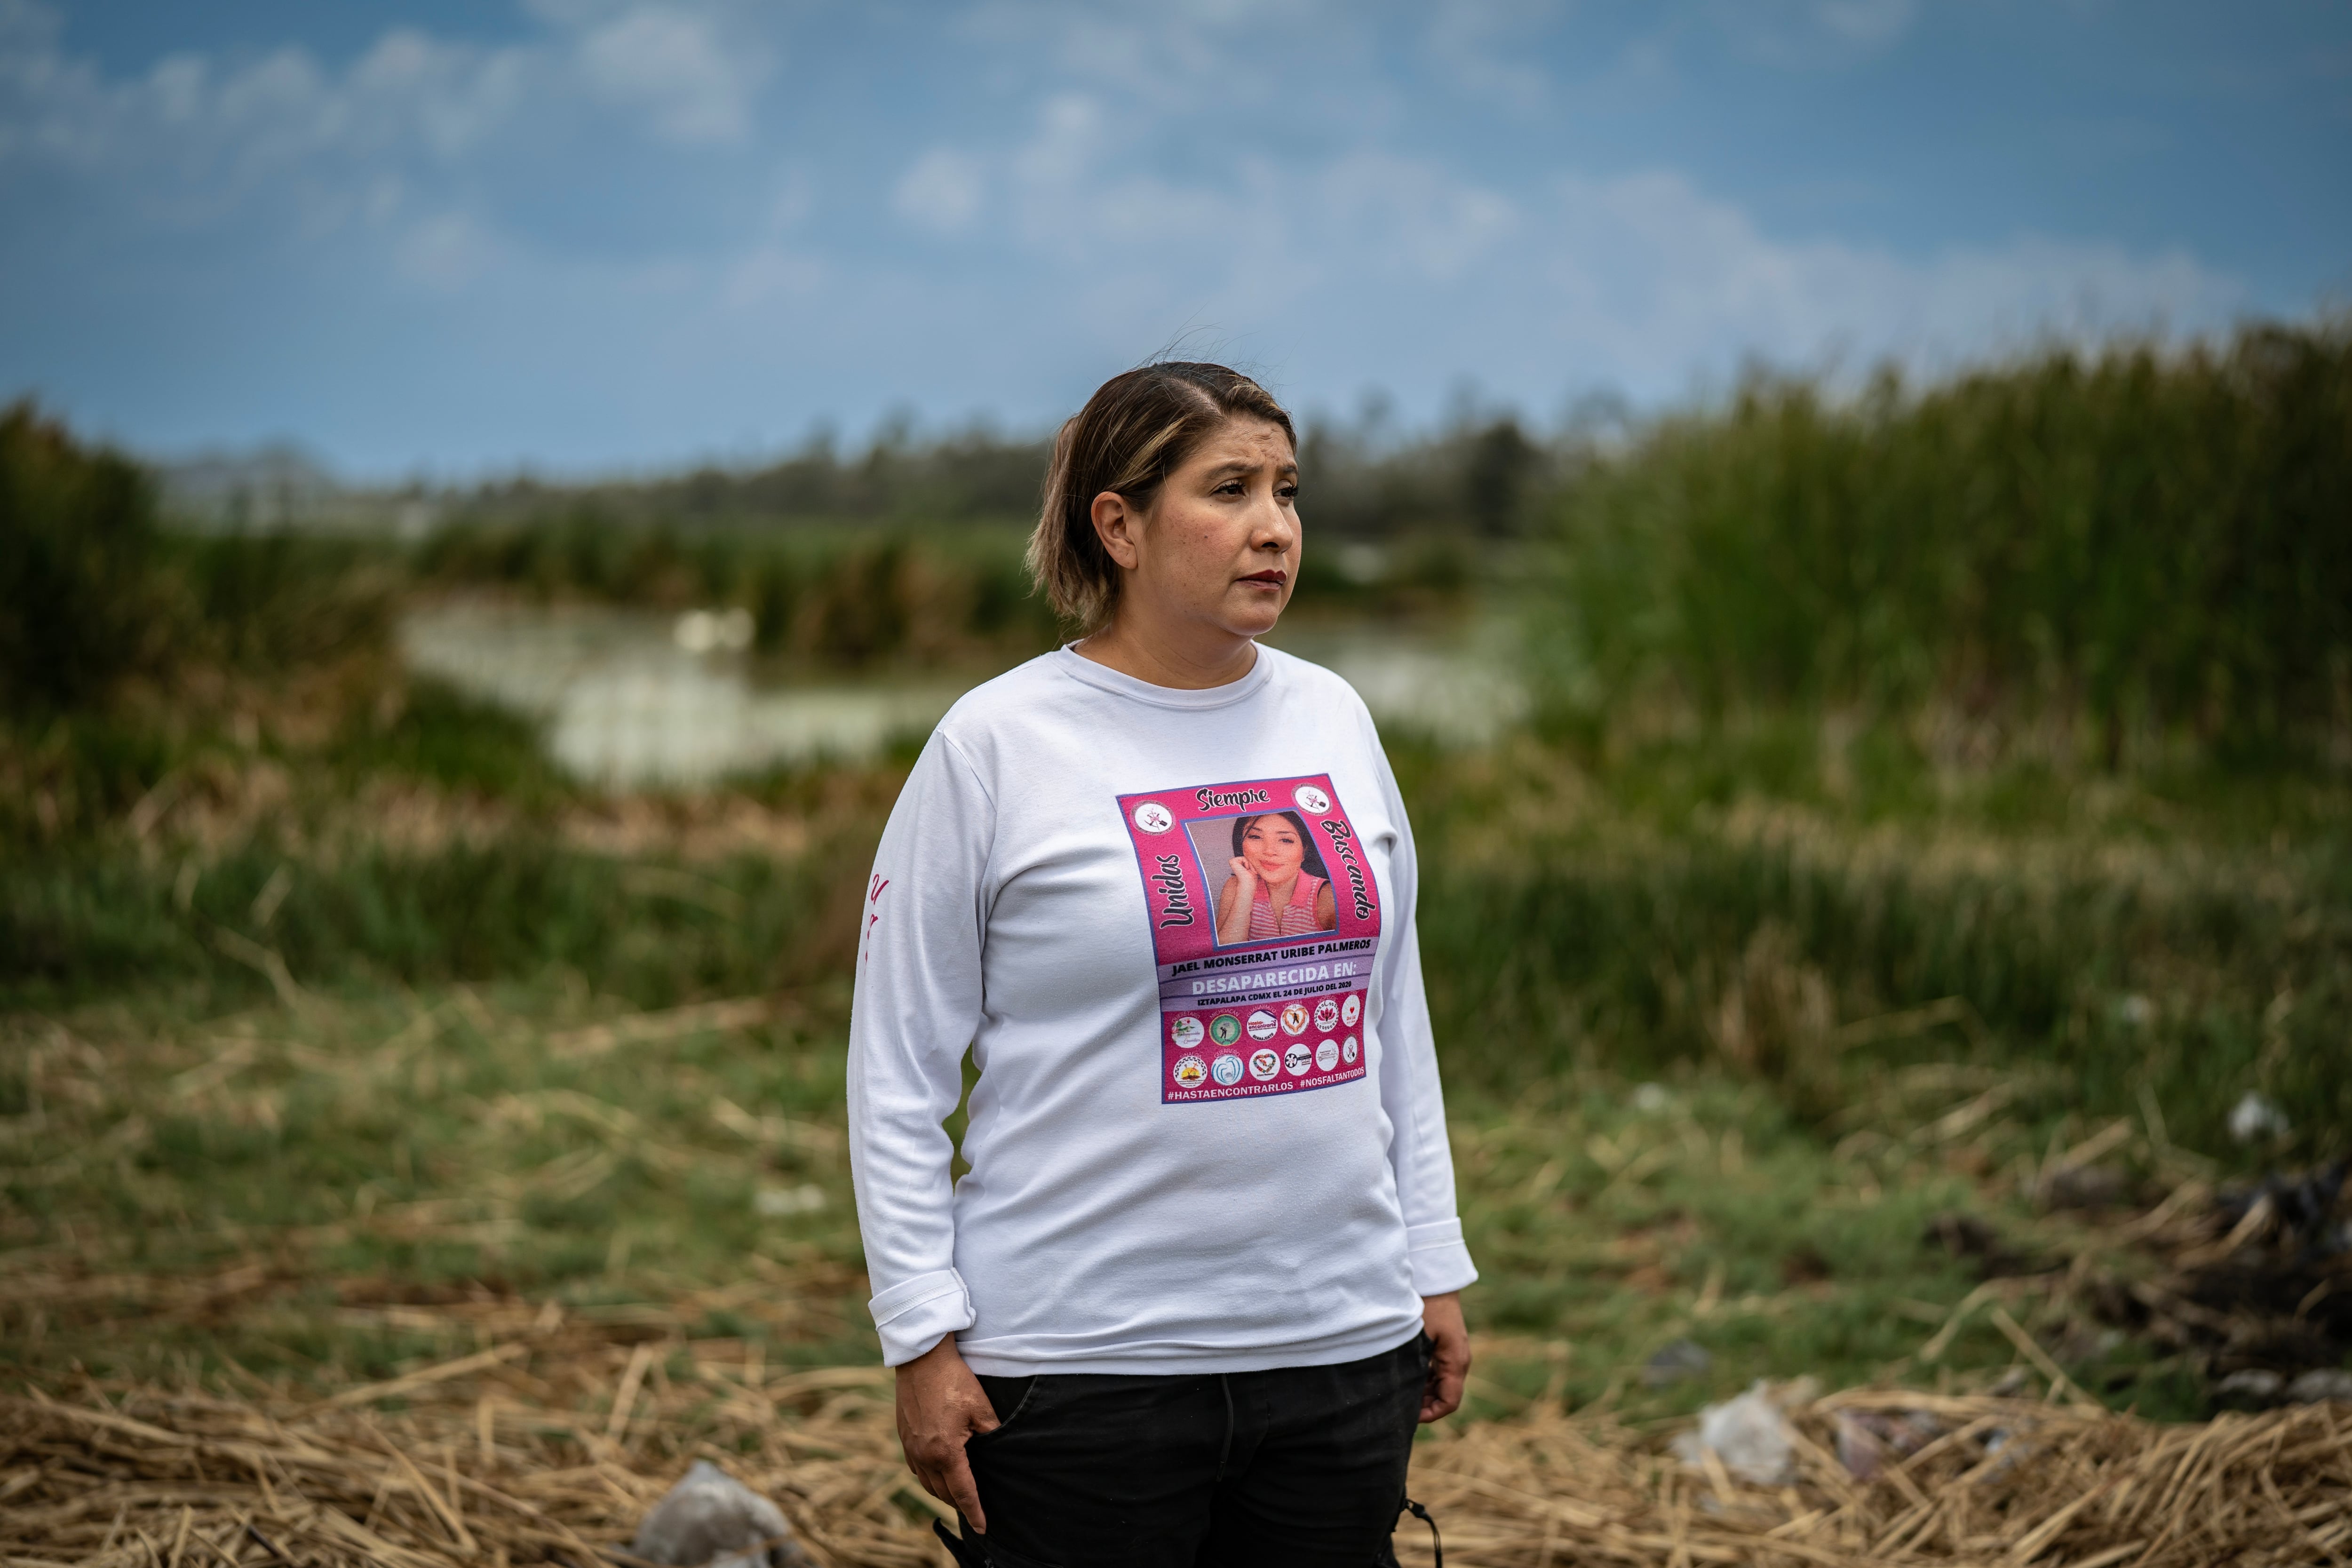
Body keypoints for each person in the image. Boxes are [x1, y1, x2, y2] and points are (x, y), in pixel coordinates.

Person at [848, 361, 1476, 1568]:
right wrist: (922, 1338)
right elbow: (896, 1072)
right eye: (1227, 489)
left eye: (1287, 492)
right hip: (1082, 1365)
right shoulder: (996, 745)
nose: (1273, 528)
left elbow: (1394, 1015)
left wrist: (1428, 1265)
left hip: (1336, 1344)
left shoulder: (1333, 717)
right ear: (1118, 525)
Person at [1216, 809, 1338, 944]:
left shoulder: (1327, 895)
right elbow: (1224, 957)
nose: (1269, 851)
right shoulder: (1236, 885)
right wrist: (1246, 888)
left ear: (1305, 851)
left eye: (1286, 840)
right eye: (1256, 837)